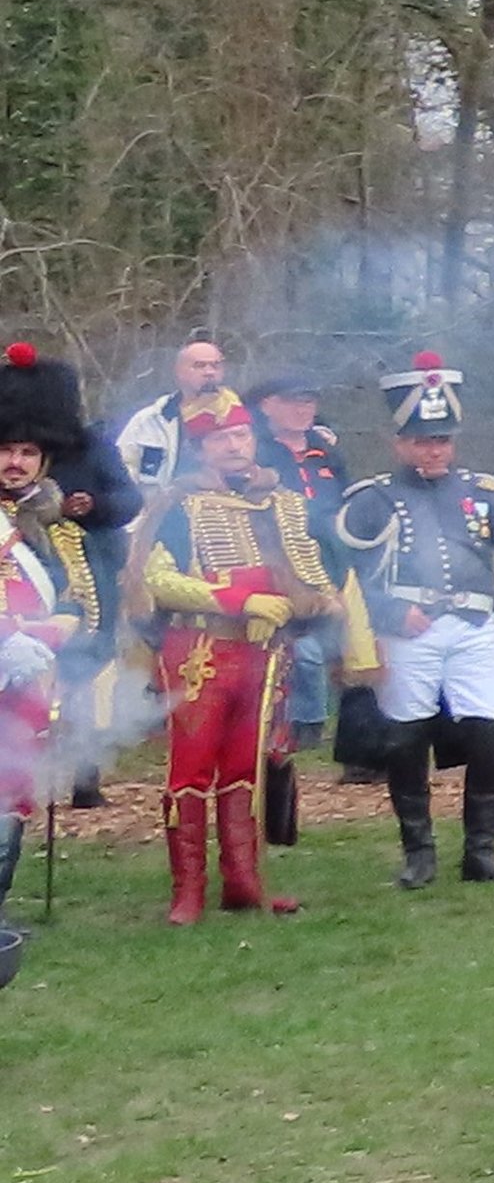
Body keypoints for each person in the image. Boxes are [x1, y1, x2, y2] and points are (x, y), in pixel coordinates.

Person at [326, 354, 494, 891]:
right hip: (412, 630)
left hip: (475, 628)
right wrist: (389, 612)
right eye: (422, 441)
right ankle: (419, 856)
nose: (434, 451)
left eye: (442, 441)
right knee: (405, 738)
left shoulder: (482, 493)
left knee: (488, 732)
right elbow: (347, 572)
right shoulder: (373, 498)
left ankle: (480, 851)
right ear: (399, 442)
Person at [138, 390, 371, 922]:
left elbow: (313, 571)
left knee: (248, 769)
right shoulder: (177, 505)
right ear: (201, 447)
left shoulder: (283, 501)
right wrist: (241, 600)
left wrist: (309, 602)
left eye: (241, 435)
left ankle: (244, 884)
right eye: (221, 438)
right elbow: (157, 581)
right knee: (191, 772)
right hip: (198, 650)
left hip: (264, 653)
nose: (234, 446)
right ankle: (187, 892)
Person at [0, 343, 105, 944]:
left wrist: (63, 629)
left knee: (13, 798)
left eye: (27, 452)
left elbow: (81, 602)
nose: (15, 462)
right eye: (7, 450)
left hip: (31, 683)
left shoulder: (56, 526)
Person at [243, 373, 348, 850]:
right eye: (293, 402)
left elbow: (345, 507)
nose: (303, 409)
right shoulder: (256, 452)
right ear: (268, 405)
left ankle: (333, 740)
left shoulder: (327, 451)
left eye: (310, 400)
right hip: (276, 570)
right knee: (293, 657)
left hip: (327, 566)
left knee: (330, 655)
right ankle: (296, 732)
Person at [110, 336, 224, 496]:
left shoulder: (242, 418)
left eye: (215, 366)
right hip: (164, 514)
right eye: (199, 366)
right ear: (179, 372)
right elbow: (121, 473)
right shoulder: (149, 421)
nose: (209, 372)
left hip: (230, 513)